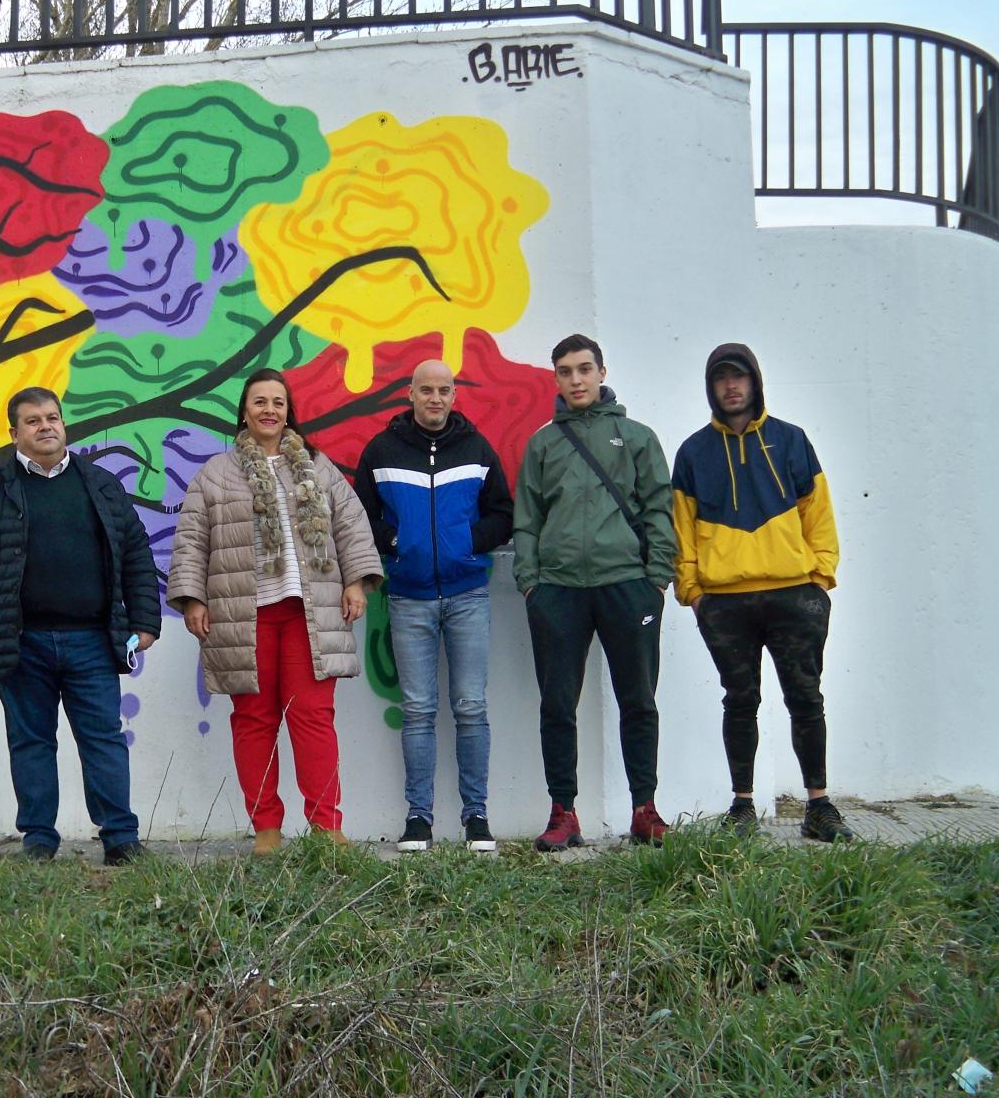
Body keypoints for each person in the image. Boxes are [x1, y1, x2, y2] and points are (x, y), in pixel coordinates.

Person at [0, 386, 162, 865]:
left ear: (63, 424)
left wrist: (145, 619)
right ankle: (38, 841)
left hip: (92, 641)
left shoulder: (100, 484)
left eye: (52, 418)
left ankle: (121, 839)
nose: (46, 427)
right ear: (13, 432)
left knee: (103, 739)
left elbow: (136, 554)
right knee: (31, 742)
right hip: (19, 642)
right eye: (33, 420)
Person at [167, 368, 384, 855]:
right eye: (260, 401)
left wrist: (355, 581)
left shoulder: (317, 467)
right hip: (242, 615)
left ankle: (326, 827)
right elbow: (192, 539)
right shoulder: (215, 473)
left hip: (310, 614)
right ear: (244, 411)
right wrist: (194, 598)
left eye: (278, 403)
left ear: (288, 413)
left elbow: (351, 525)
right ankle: (266, 827)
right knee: (253, 720)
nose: (269, 410)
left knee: (313, 717)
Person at [671, 344, 853, 842]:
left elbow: (819, 514)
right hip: (724, 601)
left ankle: (819, 806)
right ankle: (742, 806)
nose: (731, 386)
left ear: (755, 381)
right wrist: (692, 591)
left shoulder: (791, 440)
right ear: (710, 387)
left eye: (739, 376)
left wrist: (820, 579)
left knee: (806, 698)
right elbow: (681, 529)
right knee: (739, 700)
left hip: (795, 594)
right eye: (721, 378)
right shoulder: (693, 452)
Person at [513, 334, 676, 850]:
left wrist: (657, 579)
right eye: (565, 371)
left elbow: (659, 507)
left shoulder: (637, 437)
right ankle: (563, 813)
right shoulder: (543, 444)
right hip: (558, 590)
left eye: (584, 369)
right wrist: (531, 582)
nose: (576, 379)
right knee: (558, 705)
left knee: (639, 699)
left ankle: (644, 809)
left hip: (628, 585)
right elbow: (527, 519)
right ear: (556, 379)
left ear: (602, 372)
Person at [353, 359, 513, 853]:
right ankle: (418, 818)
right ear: (410, 394)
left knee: (471, 707)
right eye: (426, 390)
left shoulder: (476, 448)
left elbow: (502, 514)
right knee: (418, 710)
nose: (435, 399)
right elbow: (361, 515)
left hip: (468, 596)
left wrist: (467, 541)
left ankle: (476, 817)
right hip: (408, 598)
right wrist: (396, 541)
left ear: (454, 395)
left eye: (444, 390)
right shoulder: (381, 451)